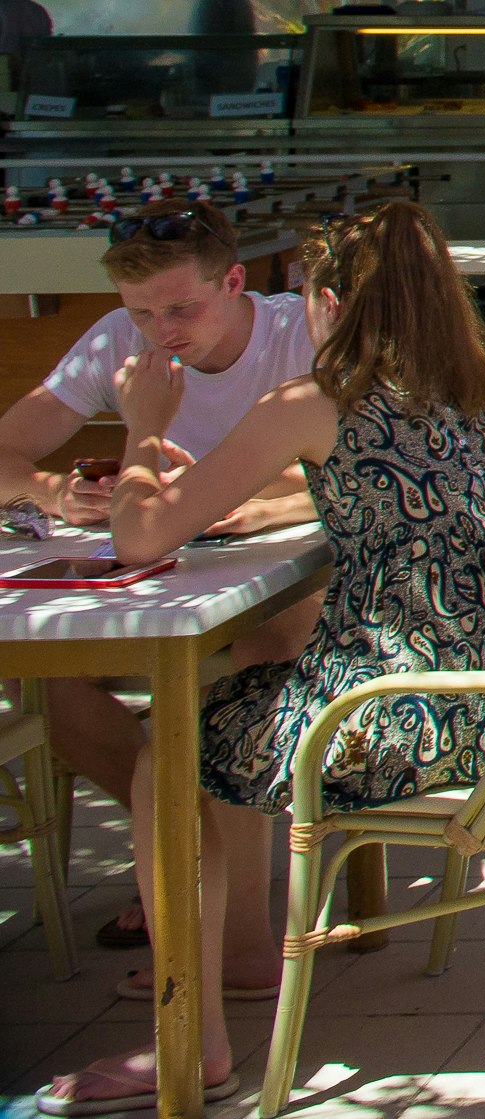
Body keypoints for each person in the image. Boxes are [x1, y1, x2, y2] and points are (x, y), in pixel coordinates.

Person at [39, 200, 485, 1117]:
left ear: (324, 301)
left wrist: (144, 422)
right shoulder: (469, 387)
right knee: (234, 684)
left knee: (171, 754)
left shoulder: (316, 401)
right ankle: (237, 954)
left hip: (401, 715)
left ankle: (189, 1045)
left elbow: (140, 535)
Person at [0, 201, 319, 989]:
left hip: (284, 575)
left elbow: (347, 468)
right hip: (168, 569)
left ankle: (231, 924)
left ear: (234, 280)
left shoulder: (296, 332)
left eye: (181, 307)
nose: (160, 329)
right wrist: (51, 490)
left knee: (254, 666)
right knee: (46, 678)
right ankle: (184, 859)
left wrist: (237, 495)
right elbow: (8, 447)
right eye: (141, 311)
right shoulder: (120, 340)